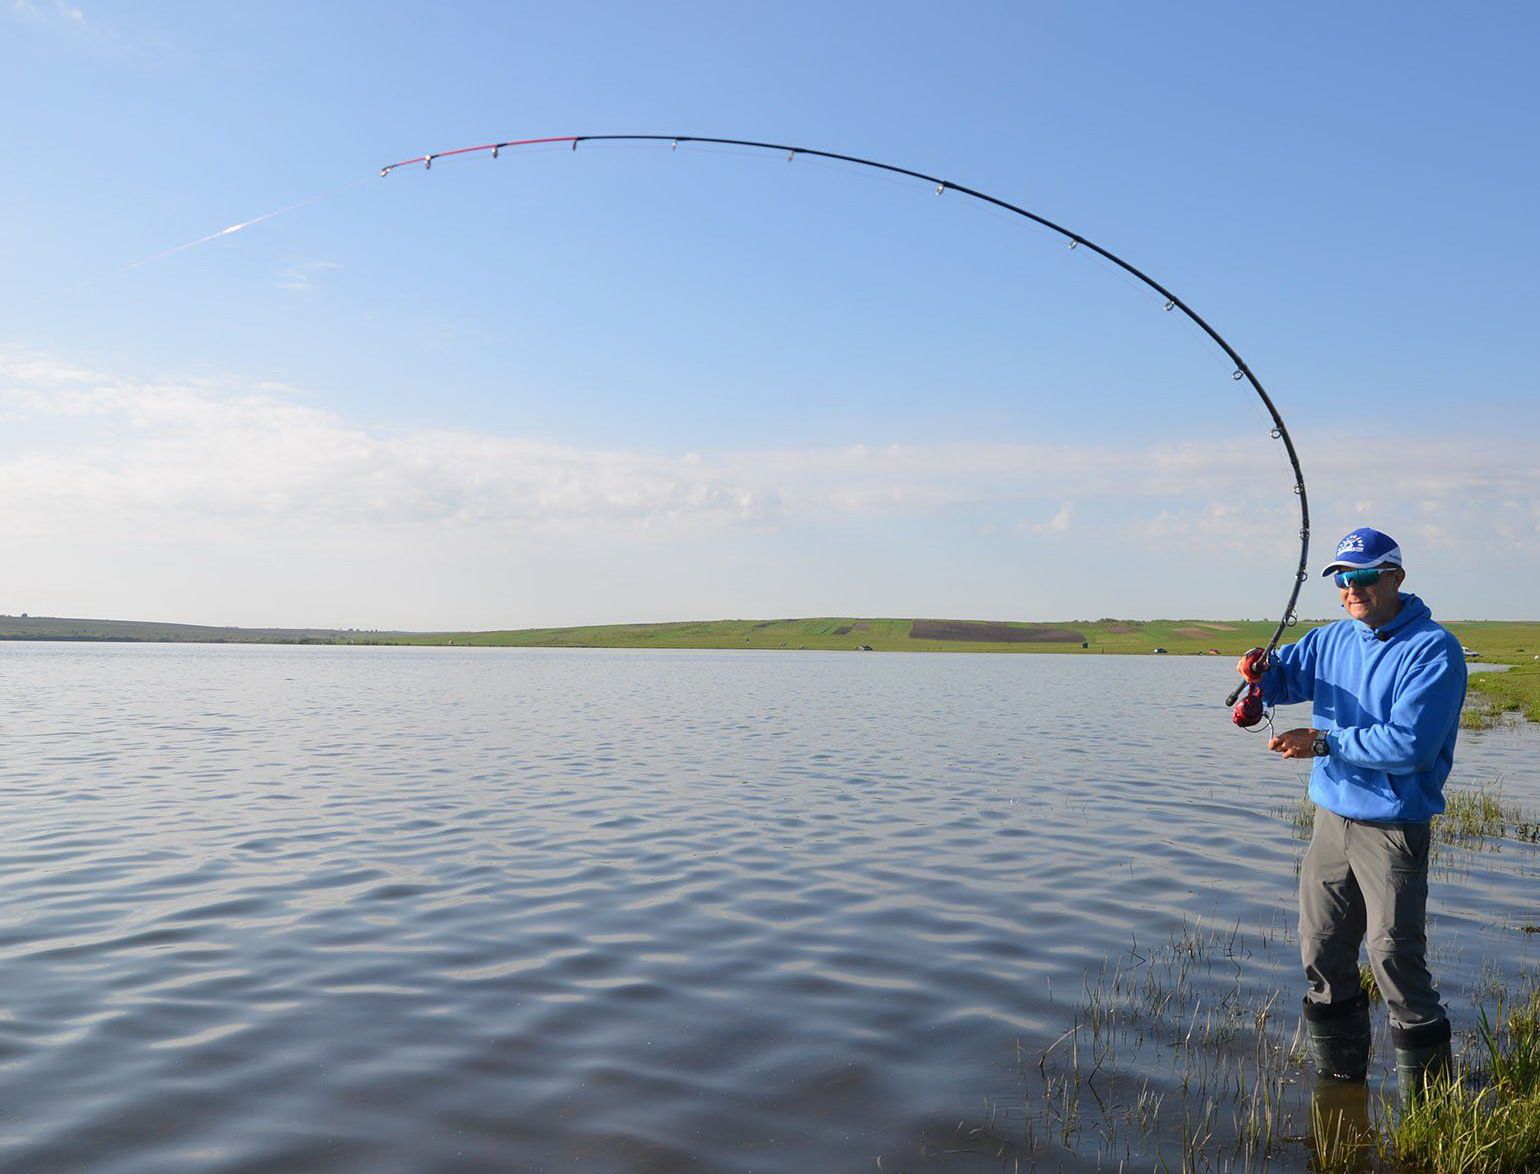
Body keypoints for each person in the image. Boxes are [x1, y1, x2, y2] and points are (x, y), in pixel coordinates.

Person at [1235, 526, 1466, 1110]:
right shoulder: (1332, 639)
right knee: (1321, 951)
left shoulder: (1433, 650)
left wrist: (1324, 740)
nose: (1350, 588)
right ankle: (1340, 1094)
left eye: (1363, 576)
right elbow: (1283, 678)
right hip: (1330, 820)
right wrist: (1259, 675)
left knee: (1393, 955)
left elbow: (1410, 745)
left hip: (1392, 826)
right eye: (1341, 578)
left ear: (1396, 578)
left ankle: (1430, 1109)